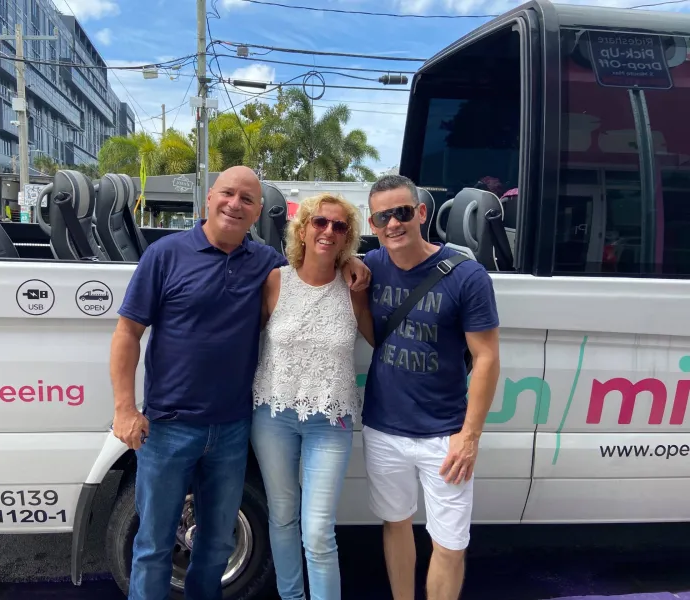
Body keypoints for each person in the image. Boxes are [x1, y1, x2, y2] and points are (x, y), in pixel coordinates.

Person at [109, 166, 371, 600]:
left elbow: (313, 264)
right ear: (209, 198)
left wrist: (350, 261)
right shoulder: (166, 254)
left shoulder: (266, 264)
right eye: (228, 194)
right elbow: (127, 334)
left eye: (247, 200)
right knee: (154, 545)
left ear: (256, 214)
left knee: (215, 546)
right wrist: (124, 408)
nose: (236, 204)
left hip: (232, 428)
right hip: (168, 426)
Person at [360, 174, 501, 600]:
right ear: (373, 223)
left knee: (450, 545)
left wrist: (469, 437)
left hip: (446, 436)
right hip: (384, 429)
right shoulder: (371, 266)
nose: (393, 224)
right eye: (383, 216)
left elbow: (487, 358)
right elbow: (374, 335)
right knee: (396, 523)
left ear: (421, 213)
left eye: (402, 212)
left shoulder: (466, 275)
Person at [250, 193, 374, 600]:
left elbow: (379, 339)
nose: (328, 231)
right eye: (320, 222)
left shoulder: (355, 285)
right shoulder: (275, 281)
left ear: (348, 238)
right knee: (283, 518)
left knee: (319, 531)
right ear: (302, 229)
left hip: (331, 421)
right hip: (273, 416)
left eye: (340, 227)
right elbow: (247, 339)